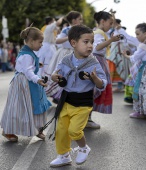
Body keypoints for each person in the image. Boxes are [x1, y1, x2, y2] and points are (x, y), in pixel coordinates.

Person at [49, 25, 107, 167]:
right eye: (86, 42)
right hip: (66, 100)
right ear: (73, 43)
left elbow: (103, 83)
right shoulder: (66, 59)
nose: (90, 46)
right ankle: (64, 156)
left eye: (92, 42)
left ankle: (83, 148)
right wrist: (54, 76)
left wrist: (95, 79)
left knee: (74, 131)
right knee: (61, 130)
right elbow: (55, 73)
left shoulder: (93, 62)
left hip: (83, 103)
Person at [0, 26, 51, 142]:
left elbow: (26, 66)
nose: (41, 45)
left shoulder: (27, 52)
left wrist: (38, 65)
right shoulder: (27, 55)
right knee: (23, 107)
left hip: (24, 82)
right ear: (32, 41)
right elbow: (28, 71)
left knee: (27, 106)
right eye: (40, 42)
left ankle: (38, 129)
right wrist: (37, 80)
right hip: (25, 83)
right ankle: (9, 131)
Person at [87, 11, 120, 128]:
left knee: (92, 90)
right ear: (102, 21)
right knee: (92, 90)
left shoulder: (99, 32)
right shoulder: (98, 33)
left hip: (99, 62)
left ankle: (87, 119)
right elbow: (96, 48)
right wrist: (111, 40)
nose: (111, 25)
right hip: (97, 62)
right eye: (110, 23)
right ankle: (87, 119)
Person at [44, 11, 83, 103]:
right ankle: (62, 97)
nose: (81, 21)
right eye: (79, 19)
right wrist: (68, 37)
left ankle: (73, 97)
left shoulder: (82, 30)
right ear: (74, 20)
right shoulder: (67, 30)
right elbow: (57, 40)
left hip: (77, 54)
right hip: (67, 54)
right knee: (65, 76)